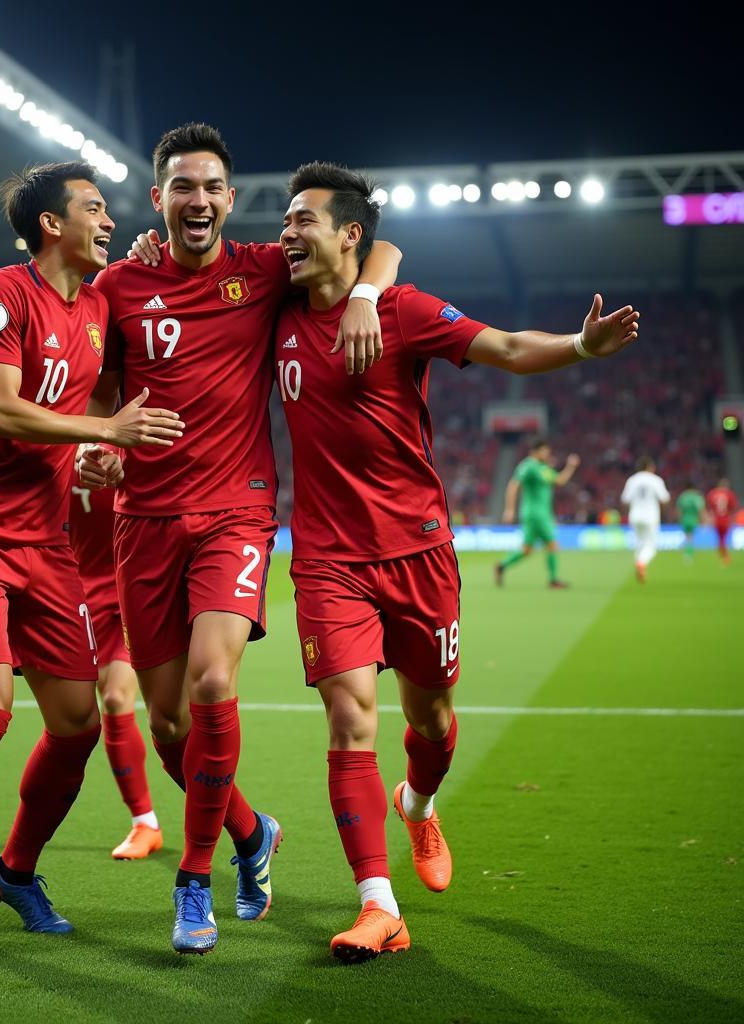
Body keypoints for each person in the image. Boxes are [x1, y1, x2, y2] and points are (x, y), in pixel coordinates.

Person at [272, 161, 638, 961]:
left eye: (304, 220)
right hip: (327, 558)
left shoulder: (403, 311)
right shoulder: (277, 306)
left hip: (419, 553)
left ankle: (419, 802)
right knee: (349, 721)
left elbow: (504, 346)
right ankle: (378, 904)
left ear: (348, 235)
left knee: (431, 721)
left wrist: (581, 345)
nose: (286, 232)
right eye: (284, 219)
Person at [82, 123, 401, 955]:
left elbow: (379, 244)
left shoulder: (264, 271)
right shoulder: (118, 285)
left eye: (212, 187)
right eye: (181, 187)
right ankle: (254, 834)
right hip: (143, 523)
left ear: (231, 199)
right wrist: (98, 441)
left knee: (213, 680)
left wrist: (366, 295)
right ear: (158, 199)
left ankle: (195, 882)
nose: (197, 200)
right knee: (167, 727)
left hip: (235, 511)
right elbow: (102, 392)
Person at [0, 161, 184, 955]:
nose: (108, 219)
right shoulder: (0, 291)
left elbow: (63, 407)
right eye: (93, 208)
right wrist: (108, 435)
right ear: (51, 225)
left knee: (76, 725)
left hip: (45, 537)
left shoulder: (99, 306)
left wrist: (89, 458)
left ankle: (16, 870)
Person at [69, 479, 163, 859]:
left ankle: (238, 821)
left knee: (120, 698)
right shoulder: (53, 431)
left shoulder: (131, 428)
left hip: (134, 583)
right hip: (78, 587)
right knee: (87, 711)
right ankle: (145, 822)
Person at [496, 439, 580, 588]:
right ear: (536, 451)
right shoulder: (528, 466)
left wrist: (570, 467)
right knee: (552, 544)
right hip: (535, 514)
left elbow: (560, 481)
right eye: (545, 450)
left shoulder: (542, 468)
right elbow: (514, 485)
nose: (547, 453)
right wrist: (509, 509)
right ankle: (553, 580)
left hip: (542, 514)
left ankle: (502, 565)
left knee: (527, 550)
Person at [621, 457, 670, 582]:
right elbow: (665, 498)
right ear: (650, 467)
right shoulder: (655, 480)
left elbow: (625, 500)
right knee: (651, 546)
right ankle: (641, 563)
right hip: (650, 516)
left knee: (640, 543)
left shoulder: (632, 480)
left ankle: (639, 566)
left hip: (635, 516)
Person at [706, 477, 738, 566]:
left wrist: (710, 518)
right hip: (725, 519)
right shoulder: (729, 494)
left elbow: (710, 508)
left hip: (716, 519)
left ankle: (722, 554)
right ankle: (725, 556)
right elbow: (733, 507)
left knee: (720, 538)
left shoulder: (713, 493)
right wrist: (733, 519)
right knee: (723, 538)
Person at [676, 482, 705, 562]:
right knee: (691, 537)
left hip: (685, 519)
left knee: (687, 537)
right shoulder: (696, 497)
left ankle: (687, 553)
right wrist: (702, 520)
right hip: (693, 519)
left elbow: (679, 509)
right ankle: (689, 554)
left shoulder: (683, 496)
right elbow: (700, 509)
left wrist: (679, 519)